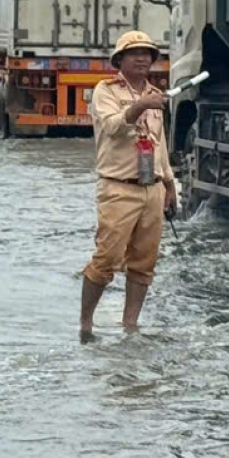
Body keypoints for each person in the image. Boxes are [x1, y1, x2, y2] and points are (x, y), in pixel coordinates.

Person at [79, 30, 176, 343]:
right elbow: (111, 127)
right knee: (106, 259)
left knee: (144, 263)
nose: (142, 59)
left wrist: (170, 183)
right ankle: (85, 324)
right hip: (118, 188)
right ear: (119, 60)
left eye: (147, 54)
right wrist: (138, 107)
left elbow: (159, 145)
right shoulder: (104, 91)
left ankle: (130, 325)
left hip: (152, 187)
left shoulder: (155, 93)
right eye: (134, 54)